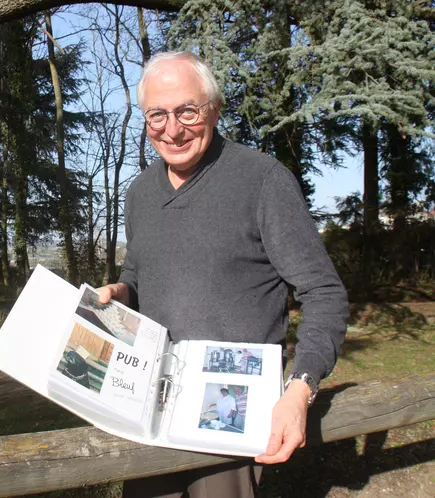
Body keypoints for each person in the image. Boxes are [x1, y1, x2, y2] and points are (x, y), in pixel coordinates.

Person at [97, 51, 349, 498]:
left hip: (229, 413)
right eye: (157, 115)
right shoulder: (138, 193)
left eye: (187, 111)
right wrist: (121, 291)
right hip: (148, 406)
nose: (172, 130)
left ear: (214, 109)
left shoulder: (262, 180)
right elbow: (138, 275)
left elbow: (324, 292)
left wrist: (299, 389)